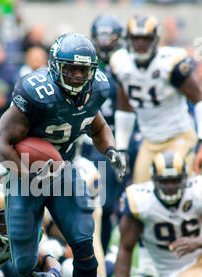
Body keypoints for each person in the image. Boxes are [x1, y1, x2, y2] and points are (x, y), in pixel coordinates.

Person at [0, 32, 126, 277]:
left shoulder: (98, 88)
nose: (78, 76)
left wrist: (112, 151)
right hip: (24, 174)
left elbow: (98, 125)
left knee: (83, 244)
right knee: (23, 265)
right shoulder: (35, 91)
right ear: (54, 66)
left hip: (62, 171)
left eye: (83, 70)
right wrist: (29, 176)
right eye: (71, 68)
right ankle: (29, 260)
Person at [110, 15, 202, 277]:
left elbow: (198, 98)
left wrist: (201, 140)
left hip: (178, 136)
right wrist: (123, 148)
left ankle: (192, 258)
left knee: (184, 194)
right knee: (142, 203)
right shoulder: (121, 63)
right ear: (128, 40)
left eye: (145, 39)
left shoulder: (171, 63)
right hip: (150, 140)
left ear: (155, 40)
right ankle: (148, 270)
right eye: (135, 39)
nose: (140, 44)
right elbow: (124, 106)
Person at [102, 151, 202, 277]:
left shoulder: (196, 191)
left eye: (175, 180)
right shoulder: (142, 200)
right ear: (154, 179)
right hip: (177, 273)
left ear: (184, 179)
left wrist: (198, 242)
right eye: (165, 181)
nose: (170, 187)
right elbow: (126, 246)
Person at [84, 14, 141, 258]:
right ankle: (104, 254)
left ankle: (148, 262)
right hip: (102, 141)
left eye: (110, 37)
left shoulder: (131, 62)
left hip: (135, 137)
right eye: (101, 37)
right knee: (104, 205)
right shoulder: (86, 63)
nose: (105, 43)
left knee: (142, 201)